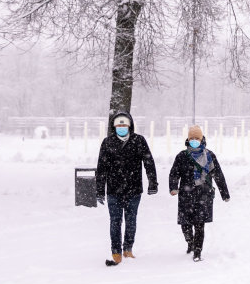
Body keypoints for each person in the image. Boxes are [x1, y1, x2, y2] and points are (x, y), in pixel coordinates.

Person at [96, 111, 158, 266]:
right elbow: (101, 167)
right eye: (119, 125)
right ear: (114, 126)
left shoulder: (139, 141)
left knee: (131, 220)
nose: (121, 127)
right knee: (115, 221)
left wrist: (153, 183)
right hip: (113, 190)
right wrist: (99, 190)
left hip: (134, 189)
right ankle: (116, 251)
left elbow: (148, 162)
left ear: (130, 126)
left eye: (124, 124)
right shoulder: (107, 142)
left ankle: (128, 249)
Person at [169, 125, 230, 262]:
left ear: (202, 139)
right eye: (192, 138)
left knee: (199, 224)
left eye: (197, 138)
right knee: (185, 224)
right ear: (188, 139)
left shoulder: (209, 155)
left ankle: (197, 251)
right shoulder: (182, 156)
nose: (194, 140)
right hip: (186, 194)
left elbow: (218, 174)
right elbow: (174, 173)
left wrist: (224, 193)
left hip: (204, 194)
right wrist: (173, 187)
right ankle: (189, 241)